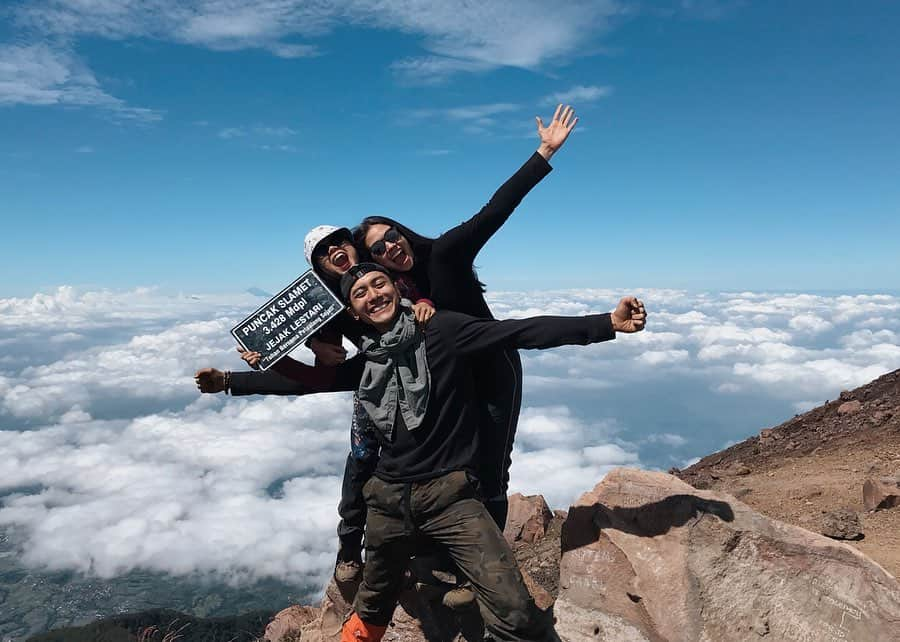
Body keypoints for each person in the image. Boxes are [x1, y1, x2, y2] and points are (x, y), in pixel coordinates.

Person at [267, 263, 646, 642]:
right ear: (353, 310)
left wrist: (607, 323)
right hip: (386, 502)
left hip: (450, 499)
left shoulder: (442, 331)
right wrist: (231, 380)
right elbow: (309, 382)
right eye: (360, 292)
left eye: (379, 284)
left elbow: (518, 331)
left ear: (396, 288)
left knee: (513, 609)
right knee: (372, 607)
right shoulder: (370, 358)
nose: (373, 295)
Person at [354, 104, 578, 531]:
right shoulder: (390, 293)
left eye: (391, 236)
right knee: (459, 466)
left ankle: (488, 559)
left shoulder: (445, 253)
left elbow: (494, 212)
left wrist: (544, 153)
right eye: (378, 250)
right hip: (451, 382)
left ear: (402, 231)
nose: (390, 249)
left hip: (494, 367)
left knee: (491, 468)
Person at [195, 224, 435, 585]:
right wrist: (304, 350)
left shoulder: (381, 269)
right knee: (361, 463)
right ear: (319, 267)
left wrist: (425, 303)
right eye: (323, 251)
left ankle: (425, 545)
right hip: (375, 384)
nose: (335, 250)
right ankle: (351, 550)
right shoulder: (326, 305)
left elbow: (425, 292)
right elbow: (321, 379)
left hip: (424, 378)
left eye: (339, 241)